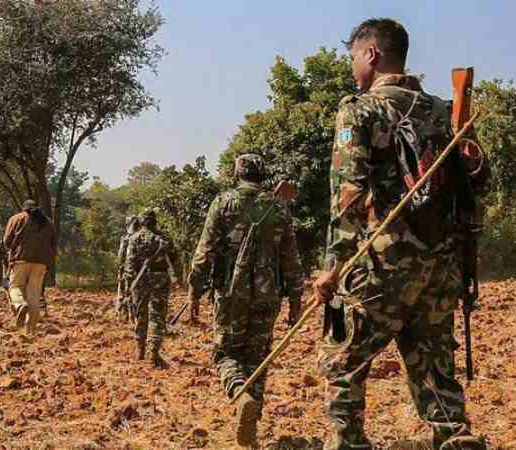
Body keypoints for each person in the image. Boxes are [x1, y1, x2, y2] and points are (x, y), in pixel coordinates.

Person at [312, 18, 490, 450]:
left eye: (354, 57)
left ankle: (349, 443)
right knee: (432, 364)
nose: (353, 67)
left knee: (343, 360)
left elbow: (348, 195)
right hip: (441, 265)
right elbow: (478, 186)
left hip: (382, 263)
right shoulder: (443, 112)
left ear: (371, 54)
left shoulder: (359, 110)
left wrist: (333, 266)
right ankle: (453, 436)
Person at [187, 154, 303, 449]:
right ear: (262, 175)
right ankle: (251, 424)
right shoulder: (279, 208)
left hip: (230, 296)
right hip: (268, 296)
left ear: (237, 174)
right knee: (258, 358)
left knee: (225, 354)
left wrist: (194, 293)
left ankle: (240, 393)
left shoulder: (223, 203)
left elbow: (204, 253)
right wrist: (296, 301)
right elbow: (291, 259)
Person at [124, 209, 177, 368]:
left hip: (140, 281)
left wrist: (129, 284)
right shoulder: (164, 238)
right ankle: (153, 352)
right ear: (155, 221)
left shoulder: (134, 238)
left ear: (141, 222)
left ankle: (140, 350)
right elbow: (174, 258)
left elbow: (130, 264)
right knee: (157, 316)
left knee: (141, 314)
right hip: (160, 280)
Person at [3, 200, 56, 336]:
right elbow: (53, 245)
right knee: (34, 297)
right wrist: (48, 263)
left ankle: (20, 304)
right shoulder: (48, 222)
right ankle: (29, 332)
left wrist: (12, 252)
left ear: (24, 208)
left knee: (15, 287)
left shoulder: (17, 219)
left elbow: (6, 241)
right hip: (41, 263)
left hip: (20, 260)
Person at [116, 215, 140, 321]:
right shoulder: (134, 237)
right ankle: (126, 315)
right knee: (128, 293)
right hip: (129, 270)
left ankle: (127, 316)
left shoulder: (127, 238)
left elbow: (120, 256)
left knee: (127, 293)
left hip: (129, 270)